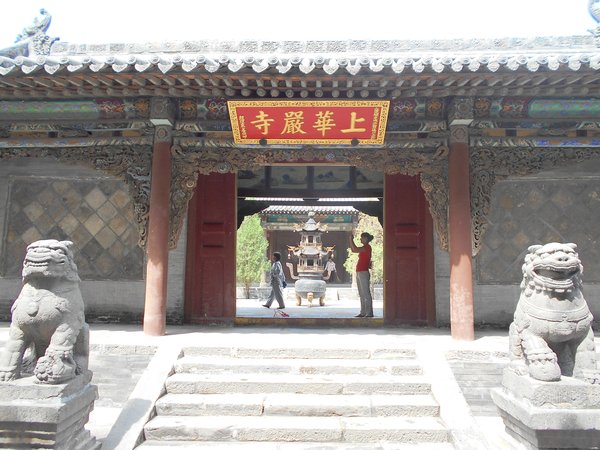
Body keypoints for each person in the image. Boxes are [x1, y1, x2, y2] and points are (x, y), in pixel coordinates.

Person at [349, 232, 374, 317]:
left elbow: (354, 249)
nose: (360, 239)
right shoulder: (365, 247)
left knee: (366, 293)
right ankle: (363, 312)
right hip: (360, 271)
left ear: (366, 238)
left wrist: (350, 239)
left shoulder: (367, 247)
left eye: (362, 238)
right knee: (361, 294)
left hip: (363, 272)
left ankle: (369, 312)